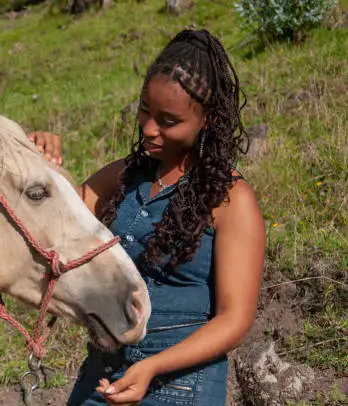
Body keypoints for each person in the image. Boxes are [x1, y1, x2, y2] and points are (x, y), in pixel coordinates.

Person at [28, 29, 265, 405]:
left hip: (183, 386)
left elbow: (234, 320)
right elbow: (52, 234)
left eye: (168, 121)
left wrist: (154, 366)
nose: (150, 129)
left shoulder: (232, 201)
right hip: (103, 375)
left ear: (208, 118)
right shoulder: (120, 177)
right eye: (145, 111)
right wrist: (40, 163)